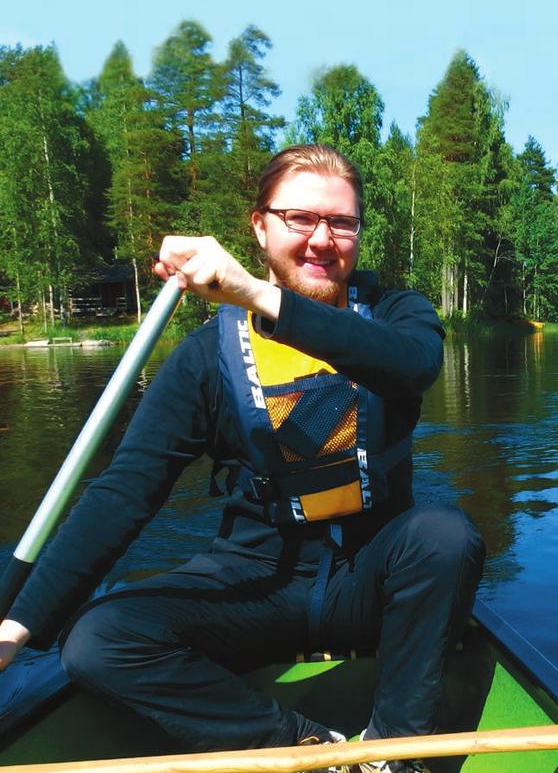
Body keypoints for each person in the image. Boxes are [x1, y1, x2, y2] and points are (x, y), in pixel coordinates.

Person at [0, 144, 485, 773]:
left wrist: (258, 294)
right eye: (299, 219)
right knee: (99, 639)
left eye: (341, 222)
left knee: (444, 535)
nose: (322, 240)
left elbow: (414, 367)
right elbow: (124, 495)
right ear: (260, 226)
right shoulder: (206, 359)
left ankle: (394, 756)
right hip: (259, 581)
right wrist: (20, 626)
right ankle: (309, 750)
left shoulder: (398, 315)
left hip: (370, 579)